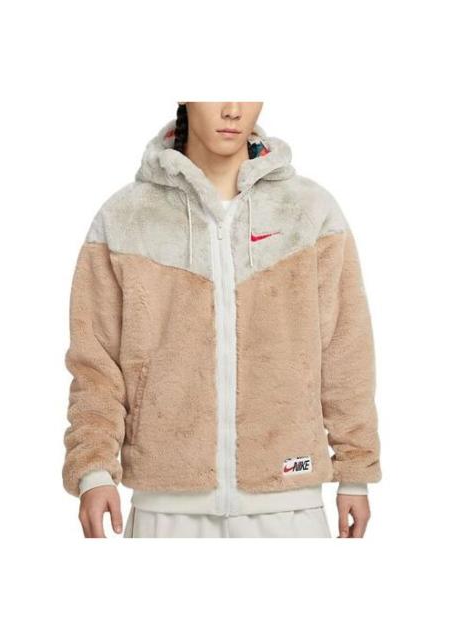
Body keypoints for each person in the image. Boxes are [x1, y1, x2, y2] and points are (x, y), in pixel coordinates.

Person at [62, 101, 382, 538]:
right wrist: (94, 470)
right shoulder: (125, 218)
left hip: (288, 502)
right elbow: (95, 362)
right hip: (167, 508)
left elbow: (346, 348)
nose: (233, 110)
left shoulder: (309, 211)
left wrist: (355, 471)